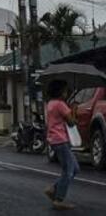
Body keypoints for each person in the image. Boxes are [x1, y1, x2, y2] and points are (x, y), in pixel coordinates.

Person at [44, 79, 79, 210]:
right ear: (59, 91)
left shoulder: (51, 103)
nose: (66, 92)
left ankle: (53, 189)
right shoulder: (60, 104)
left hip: (54, 140)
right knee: (69, 171)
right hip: (61, 140)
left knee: (74, 168)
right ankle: (58, 199)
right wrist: (74, 110)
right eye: (65, 90)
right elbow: (72, 122)